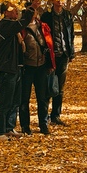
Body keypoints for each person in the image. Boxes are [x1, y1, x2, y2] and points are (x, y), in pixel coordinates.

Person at [41, 0, 75, 126]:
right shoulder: (47, 16)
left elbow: (71, 34)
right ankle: (44, 117)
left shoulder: (67, 15)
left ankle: (55, 115)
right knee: (48, 86)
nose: (60, 1)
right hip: (51, 55)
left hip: (64, 54)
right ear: (52, 1)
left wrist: (71, 53)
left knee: (60, 88)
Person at [18, 8, 52, 136]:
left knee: (42, 98)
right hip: (27, 68)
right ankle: (25, 126)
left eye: (34, 12)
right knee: (24, 99)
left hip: (41, 67)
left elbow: (48, 44)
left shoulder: (42, 27)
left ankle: (43, 124)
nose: (33, 14)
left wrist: (49, 63)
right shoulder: (21, 28)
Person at [0, 3, 24, 140]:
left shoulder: (13, 29)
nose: (16, 12)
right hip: (6, 69)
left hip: (15, 68)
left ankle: (9, 127)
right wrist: (31, 10)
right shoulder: (5, 25)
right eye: (13, 10)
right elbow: (21, 24)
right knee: (5, 101)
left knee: (15, 101)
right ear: (6, 12)